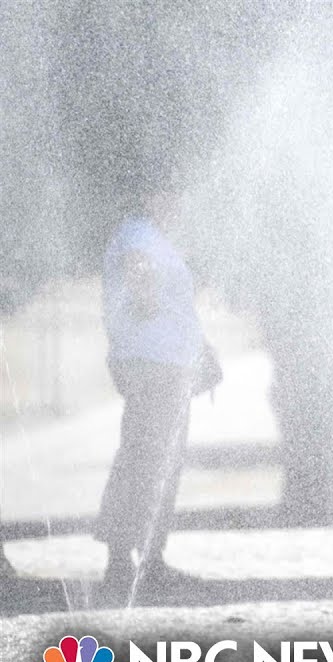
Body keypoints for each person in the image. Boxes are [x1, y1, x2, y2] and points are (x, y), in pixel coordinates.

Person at [97, 175, 216, 598]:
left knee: (161, 459)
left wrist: (200, 348)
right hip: (151, 364)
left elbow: (174, 304)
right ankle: (120, 558)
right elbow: (140, 278)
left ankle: (150, 556)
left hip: (166, 364)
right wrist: (145, 294)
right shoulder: (138, 233)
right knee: (143, 457)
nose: (176, 202)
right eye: (167, 193)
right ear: (149, 196)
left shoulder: (157, 238)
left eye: (178, 193)